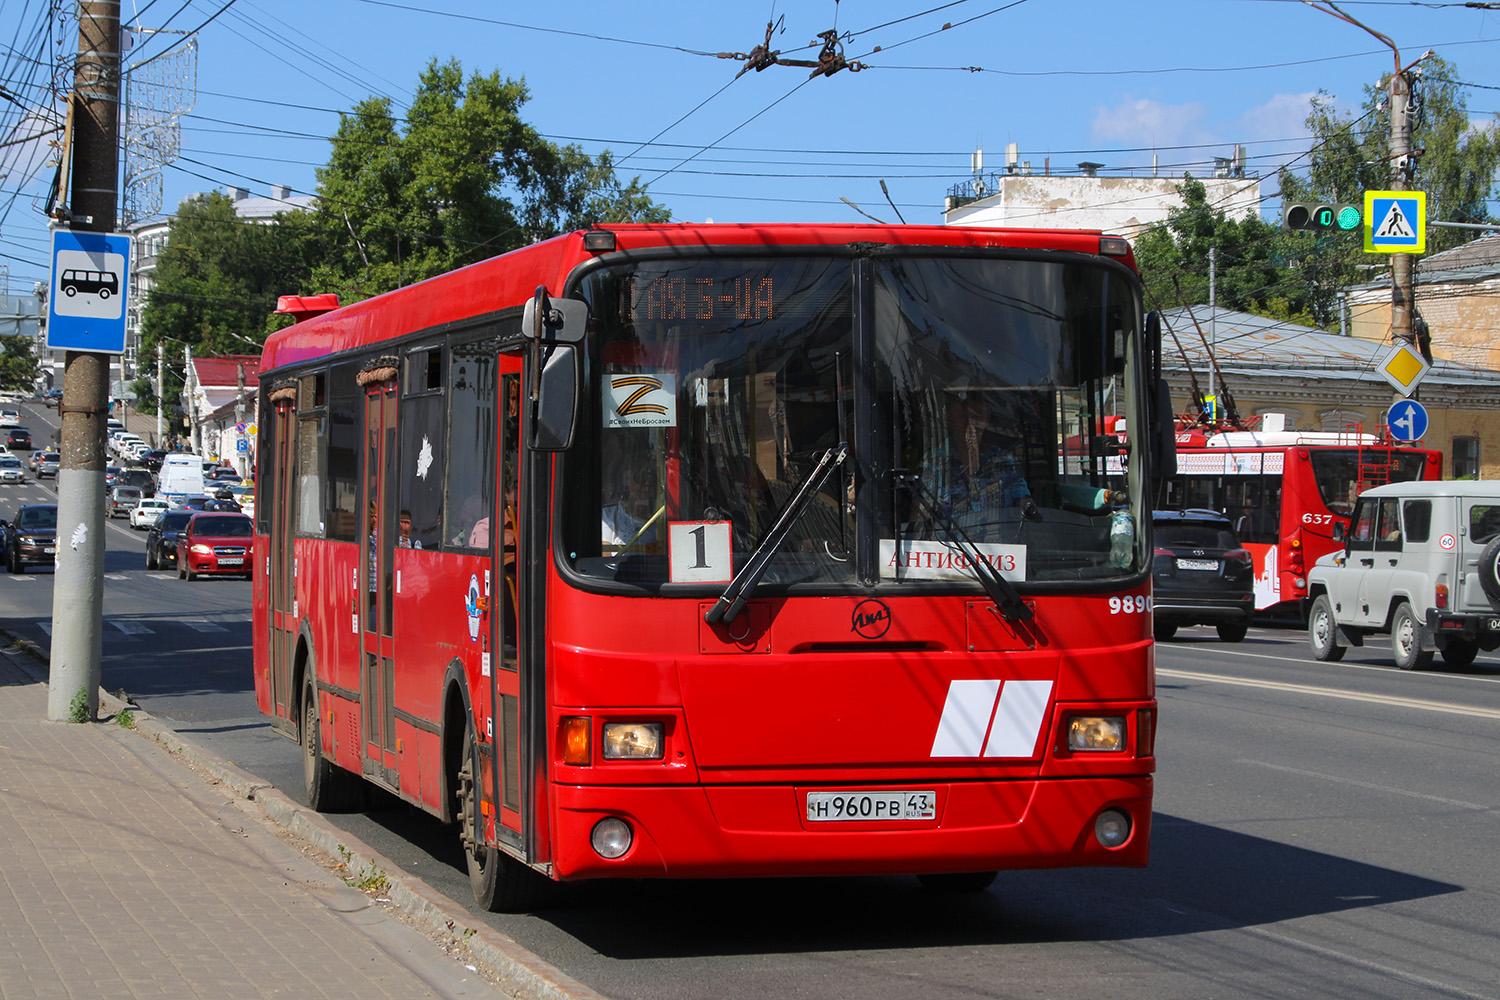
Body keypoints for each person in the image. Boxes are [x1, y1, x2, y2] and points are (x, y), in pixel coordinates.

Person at [921, 390, 1035, 536]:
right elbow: (920, 521)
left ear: (986, 420)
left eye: (976, 417)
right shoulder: (933, 464)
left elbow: (1026, 507)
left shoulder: (1004, 461)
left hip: (999, 555)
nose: (971, 425)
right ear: (949, 419)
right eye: (963, 418)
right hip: (948, 555)